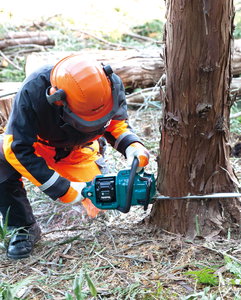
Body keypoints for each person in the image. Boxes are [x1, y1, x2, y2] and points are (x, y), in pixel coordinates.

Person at [0, 54, 150, 260]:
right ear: (58, 99)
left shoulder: (110, 85)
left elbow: (116, 124)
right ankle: (23, 227)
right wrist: (62, 188)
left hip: (80, 151)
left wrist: (131, 145)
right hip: (39, 147)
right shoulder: (33, 92)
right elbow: (16, 147)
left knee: (97, 206)